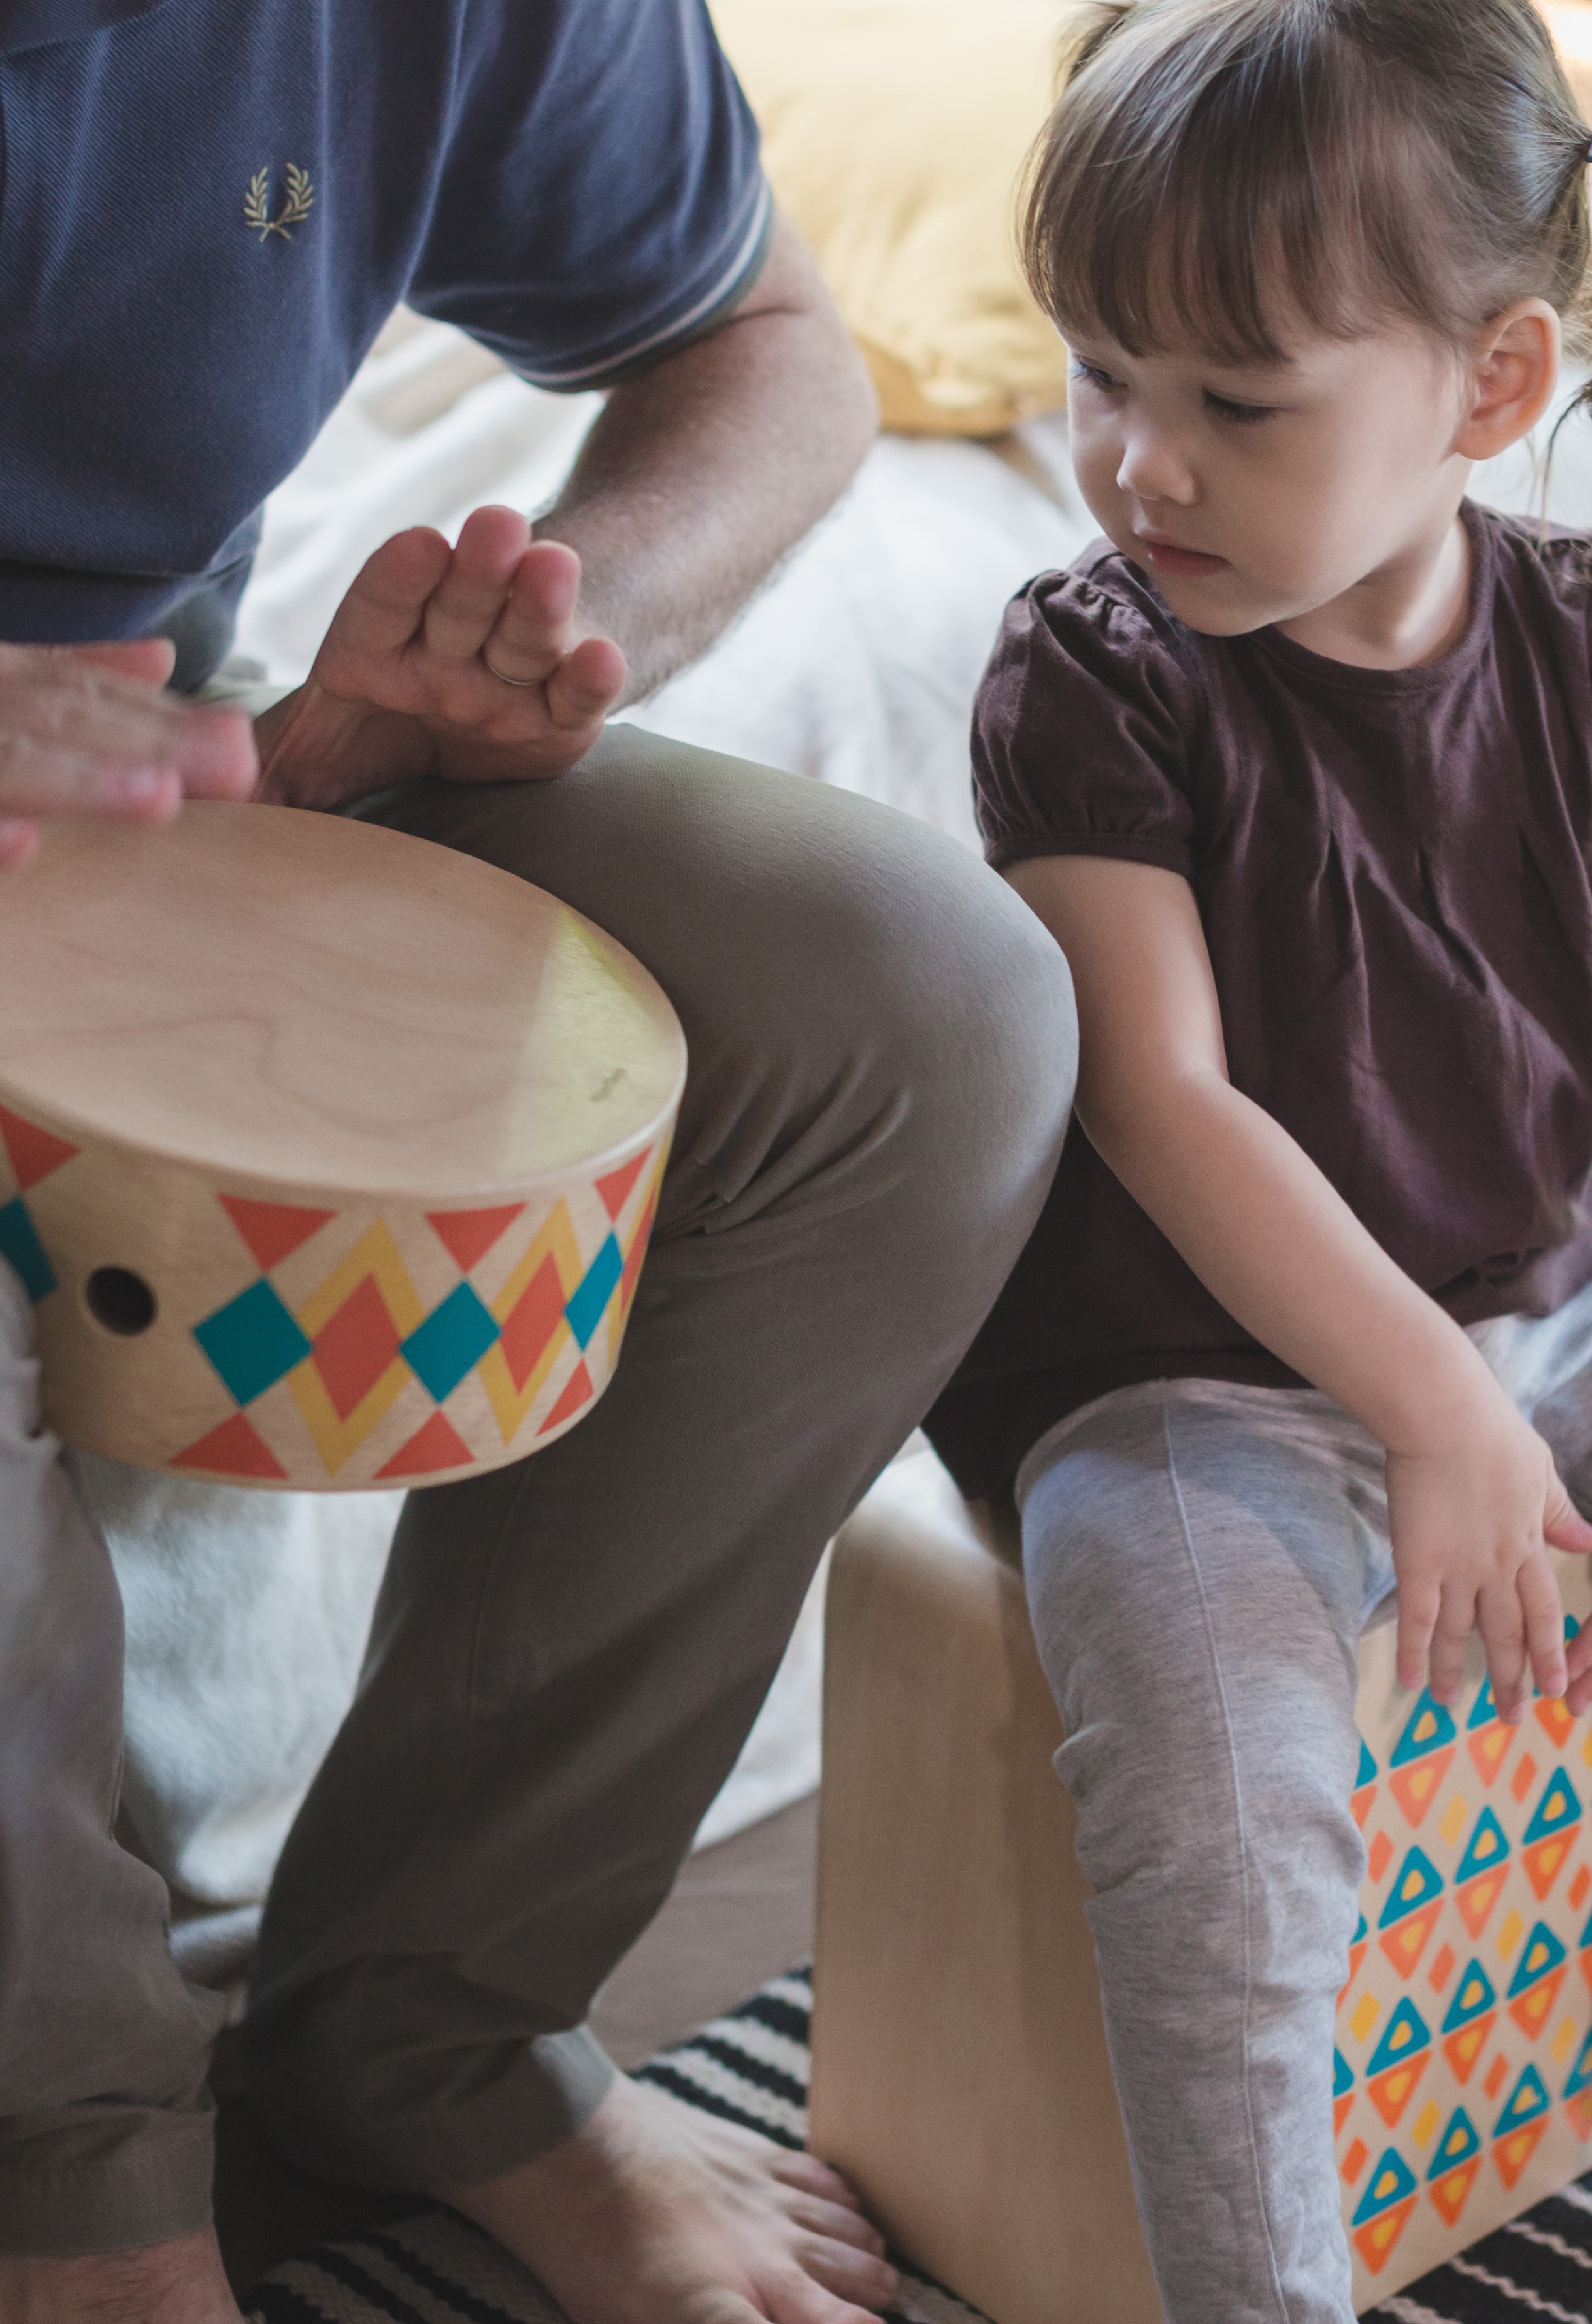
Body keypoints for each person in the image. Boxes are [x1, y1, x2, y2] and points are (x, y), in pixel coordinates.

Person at [921, 0, 1592, 2316]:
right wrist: (1426, 1404)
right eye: (1106, 377)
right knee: (1227, 1834)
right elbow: (1163, 1097)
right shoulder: (1091, 672)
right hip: (1171, 1384)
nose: (1139, 465)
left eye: (1235, 400)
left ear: (1493, 389)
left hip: (1546, 1312)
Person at [0, 4, 1076, 2321]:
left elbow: (768, 338)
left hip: (159, 784)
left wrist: (550, 625)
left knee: (913, 1014)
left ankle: (432, 2025)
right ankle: (68, 2180)